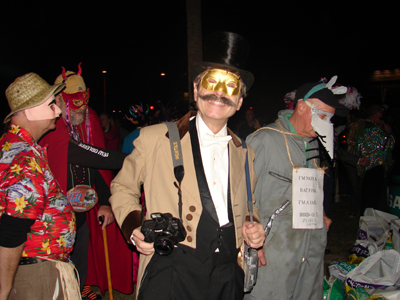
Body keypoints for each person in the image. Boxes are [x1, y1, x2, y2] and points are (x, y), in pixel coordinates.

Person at [110, 31, 265, 300]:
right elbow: (123, 187)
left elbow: (250, 206)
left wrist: (253, 227)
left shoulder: (245, 152)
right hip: (172, 269)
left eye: (231, 88)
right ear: (196, 89)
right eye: (211, 83)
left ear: (240, 102)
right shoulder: (156, 138)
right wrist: (133, 227)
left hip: (227, 274)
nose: (219, 93)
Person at [246, 76, 348, 300]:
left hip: (308, 251)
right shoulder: (264, 140)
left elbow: (304, 188)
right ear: (301, 107)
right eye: (322, 115)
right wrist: (252, 245)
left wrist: (318, 213)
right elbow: (241, 196)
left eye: (329, 119)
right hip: (274, 254)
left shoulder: (312, 143)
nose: (326, 123)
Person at [38, 64, 133, 299]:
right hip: (53, 218)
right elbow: (95, 156)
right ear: (59, 101)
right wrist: (135, 157)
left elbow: (96, 167)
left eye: (84, 100)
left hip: (79, 212)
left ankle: (80, 288)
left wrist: (105, 202)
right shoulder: (52, 128)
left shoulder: (83, 123)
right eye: (74, 102)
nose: (82, 108)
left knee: (81, 258)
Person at [0, 73, 80, 300]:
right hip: (36, 274)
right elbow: (13, 228)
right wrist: (3, 289)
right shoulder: (24, 156)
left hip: (36, 269)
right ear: (29, 111)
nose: (58, 111)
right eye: (52, 104)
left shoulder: (18, 146)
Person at [357, 104, 395, 213]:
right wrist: (389, 133)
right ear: (376, 115)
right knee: (374, 200)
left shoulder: (363, 127)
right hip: (374, 166)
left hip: (365, 166)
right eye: (381, 117)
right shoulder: (373, 129)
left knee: (367, 197)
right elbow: (389, 145)